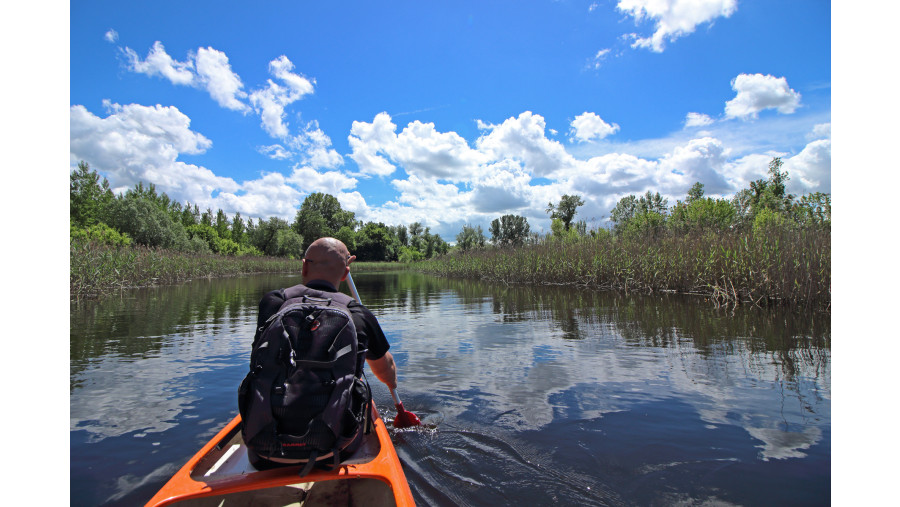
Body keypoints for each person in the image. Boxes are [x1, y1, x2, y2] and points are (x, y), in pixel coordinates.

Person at [248, 237, 399, 469]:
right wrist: (392, 383)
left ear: (304, 267)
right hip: (335, 449)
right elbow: (385, 370)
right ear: (345, 274)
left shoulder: (273, 302)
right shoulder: (358, 313)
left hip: (264, 451)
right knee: (361, 383)